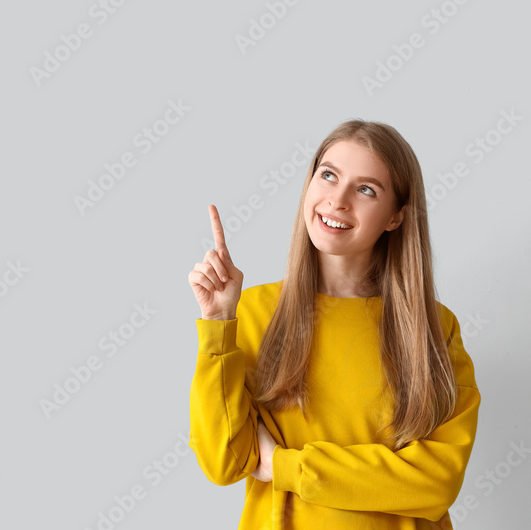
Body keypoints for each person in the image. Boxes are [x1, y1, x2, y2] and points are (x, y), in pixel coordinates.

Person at [188, 119, 481, 529]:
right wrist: (218, 323)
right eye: (328, 175)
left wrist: (284, 465)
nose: (337, 200)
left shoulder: (432, 328)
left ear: (395, 217)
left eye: (366, 189)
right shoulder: (252, 313)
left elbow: (436, 482)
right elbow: (223, 461)